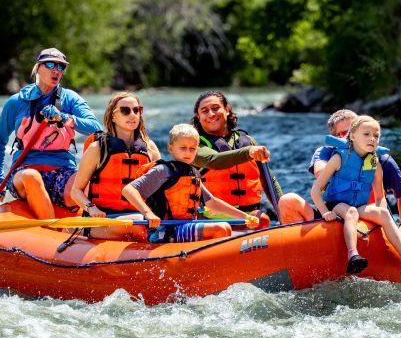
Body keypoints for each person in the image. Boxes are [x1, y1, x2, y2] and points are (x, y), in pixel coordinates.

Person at [0, 47, 102, 220]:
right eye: (50, 64)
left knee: (90, 183)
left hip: (62, 170)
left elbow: (96, 128)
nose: (56, 70)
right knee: (31, 176)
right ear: (38, 68)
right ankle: (51, 230)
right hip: (25, 171)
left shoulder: (70, 99)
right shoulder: (16, 102)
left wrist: (65, 118)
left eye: (61, 67)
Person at [310, 115, 401, 275]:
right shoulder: (338, 157)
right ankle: (353, 255)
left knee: (383, 213)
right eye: (366, 134)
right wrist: (325, 212)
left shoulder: (375, 163)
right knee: (351, 212)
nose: (372, 138)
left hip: (360, 205)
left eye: (376, 135)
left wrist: (380, 217)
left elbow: (380, 196)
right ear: (353, 136)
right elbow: (315, 190)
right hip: (336, 204)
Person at [279, 110, 401, 241]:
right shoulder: (327, 153)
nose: (350, 135)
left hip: (369, 219)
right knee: (288, 201)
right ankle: (301, 252)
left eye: (354, 130)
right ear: (335, 138)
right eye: (344, 132)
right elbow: (320, 172)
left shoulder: (381, 159)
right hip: (334, 215)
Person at [122, 124, 262, 242]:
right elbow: (128, 190)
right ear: (170, 148)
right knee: (221, 228)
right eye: (183, 148)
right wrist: (148, 213)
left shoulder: (193, 173)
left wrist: (245, 217)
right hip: (165, 231)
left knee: (224, 227)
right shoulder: (163, 171)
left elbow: (212, 202)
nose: (188, 153)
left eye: (192, 148)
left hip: (185, 226)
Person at [70, 92, 161, 240]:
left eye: (137, 110)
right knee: (137, 222)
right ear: (113, 116)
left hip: (141, 219)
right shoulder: (98, 148)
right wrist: (92, 209)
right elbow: (76, 191)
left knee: (139, 222)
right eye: (125, 110)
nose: (132, 115)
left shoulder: (150, 148)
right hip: (103, 221)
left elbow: (161, 188)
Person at [190, 90, 277, 225]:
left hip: (249, 216)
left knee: (264, 219)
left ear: (227, 109)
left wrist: (281, 211)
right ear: (198, 116)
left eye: (215, 108)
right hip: (211, 218)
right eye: (205, 111)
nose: (211, 114)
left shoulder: (249, 142)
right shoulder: (194, 145)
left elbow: (269, 181)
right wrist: (248, 152)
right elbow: (214, 160)